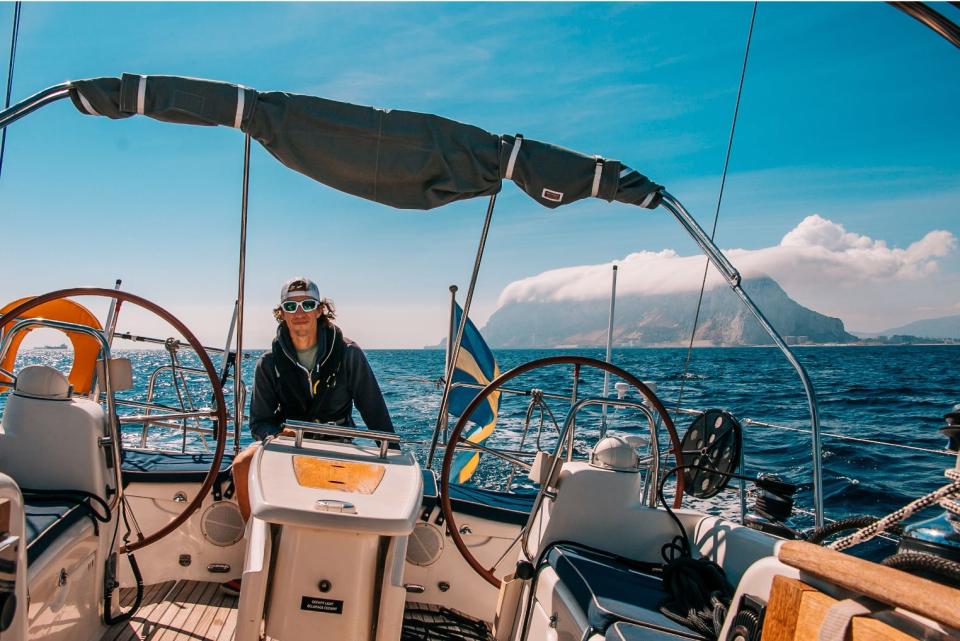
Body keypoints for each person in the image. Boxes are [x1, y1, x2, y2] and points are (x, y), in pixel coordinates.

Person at [222, 276, 395, 595]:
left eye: (307, 304)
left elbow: (374, 409)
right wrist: (278, 435)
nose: (299, 311)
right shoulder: (269, 364)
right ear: (282, 313)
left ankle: (361, 578)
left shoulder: (348, 354)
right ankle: (258, 561)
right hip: (289, 447)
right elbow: (259, 422)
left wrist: (392, 452)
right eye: (291, 306)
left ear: (320, 311)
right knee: (242, 466)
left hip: (338, 446)